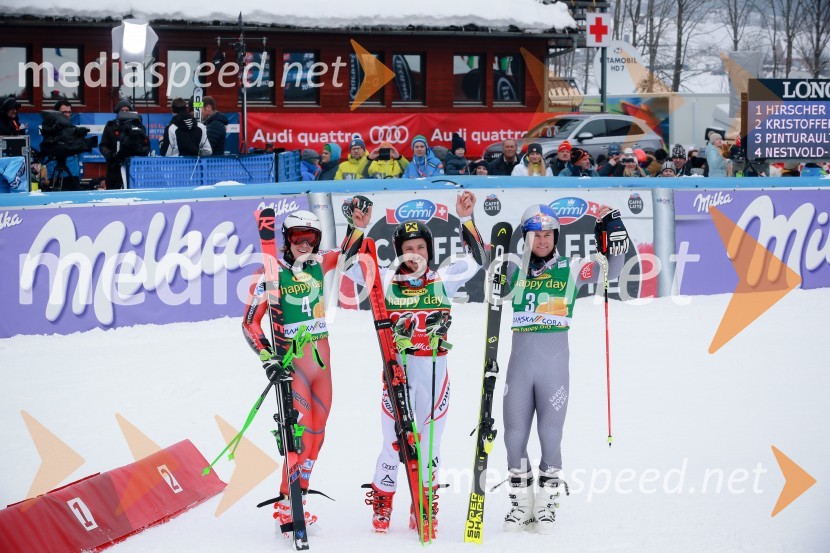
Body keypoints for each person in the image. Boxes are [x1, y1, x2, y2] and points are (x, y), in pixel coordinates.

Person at [353, 191, 487, 538]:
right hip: (397, 378)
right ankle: (383, 500)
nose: (415, 255)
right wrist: (358, 229)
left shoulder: (444, 277)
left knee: (431, 446)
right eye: (408, 249)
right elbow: (350, 266)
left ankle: (423, 502)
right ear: (398, 252)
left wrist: (467, 220)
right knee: (392, 443)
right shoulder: (384, 279)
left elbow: (479, 257)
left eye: (421, 249)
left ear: (430, 251)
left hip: (435, 375)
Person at [242, 203, 371, 532]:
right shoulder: (271, 273)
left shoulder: (319, 262)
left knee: (318, 437)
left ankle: (297, 498)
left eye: (310, 236)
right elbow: (249, 324)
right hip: (295, 365)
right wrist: (268, 357)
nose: (304, 242)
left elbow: (348, 253)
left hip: (322, 366)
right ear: (287, 237)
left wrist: (356, 225)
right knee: (299, 440)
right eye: (298, 236)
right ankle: (287, 508)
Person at [502, 204, 628, 535]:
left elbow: (611, 272)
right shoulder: (515, 269)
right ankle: (521, 502)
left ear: (555, 237)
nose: (542, 241)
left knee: (549, 435)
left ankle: (546, 502)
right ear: (526, 238)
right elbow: (484, 269)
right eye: (535, 235)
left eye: (547, 235)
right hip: (519, 364)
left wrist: (614, 231)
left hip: (554, 365)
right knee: (513, 438)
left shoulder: (572, 267)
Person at [99, 100, 148, 189]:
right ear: (118, 112)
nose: (125, 112)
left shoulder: (139, 126)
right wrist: (111, 156)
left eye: (127, 110)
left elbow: (146, 144)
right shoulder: (110, 126)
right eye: (122, 110)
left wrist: (142, 151)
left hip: (134, 168)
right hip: (115, 168)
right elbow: (103, 145)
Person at [41, 100, 81, 191]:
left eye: (69, 112)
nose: (67, 115)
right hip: (57, 175)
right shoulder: (50, 130)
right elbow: (48, 154)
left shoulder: (73, 129)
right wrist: (50, 176)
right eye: (64, 112)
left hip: (73, 174)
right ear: (57, 113)